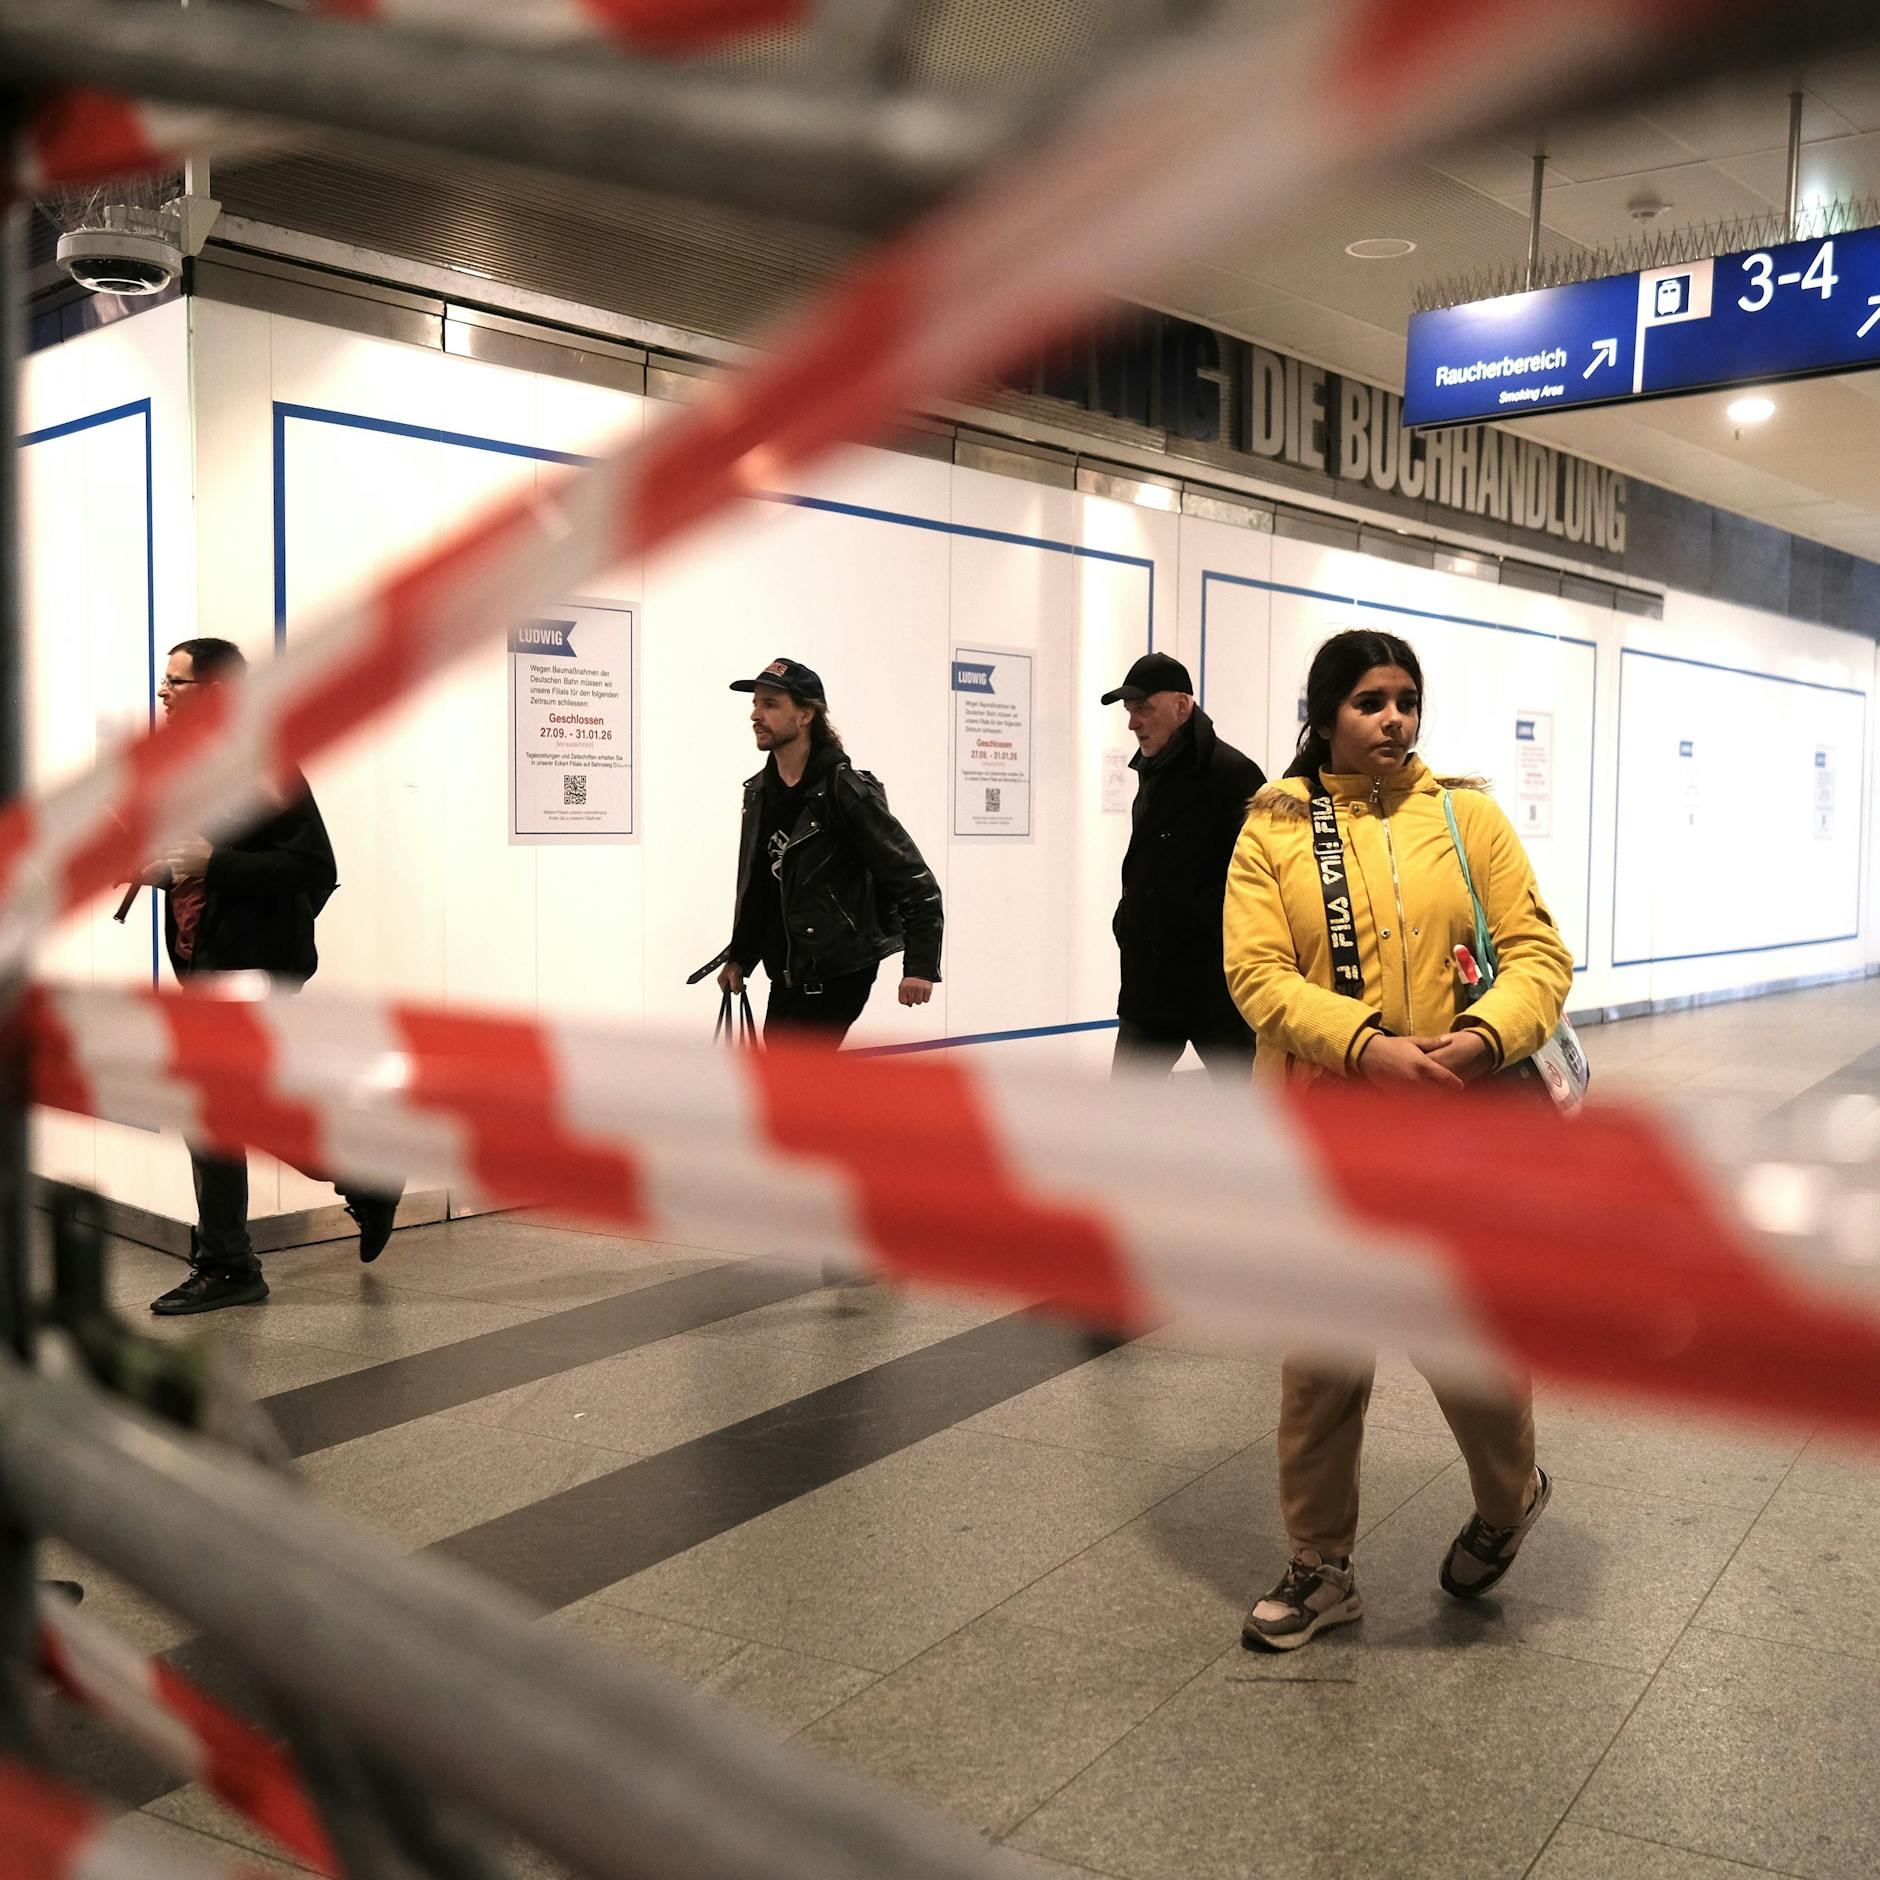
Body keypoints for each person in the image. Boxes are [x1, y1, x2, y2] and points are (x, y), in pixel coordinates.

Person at [1223, 627, 1574, 1651]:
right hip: (1323, 1134)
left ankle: (1508, 1498)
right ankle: (1319, 1566)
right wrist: (1361, 1047)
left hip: (1451, 1134)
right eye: (1371, 700)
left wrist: (1481, 1037)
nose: (1393, 718)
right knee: (1321, 1358)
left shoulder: (1463, 814)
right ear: (1324, 711)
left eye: (1406, 699)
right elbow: (1255, 975)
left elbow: (1536, 952)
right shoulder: (1273, 829)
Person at [143, 638, 402, 1316]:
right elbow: (205, 865)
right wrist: (167, 869)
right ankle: (363, 1178)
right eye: (164, 680)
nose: (163, 692)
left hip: (250, 973)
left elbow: (312, 866)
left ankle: (229, 1263)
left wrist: (211, 864)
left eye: (178, 682)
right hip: (207, 970)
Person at [696, 657, 943, 1045]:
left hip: (835, 973)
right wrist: (741, 957)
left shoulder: (846, 794)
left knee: (787, 1086)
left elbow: (916, 883)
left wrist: (920, 966)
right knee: (784, 1089)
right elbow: (761, 885)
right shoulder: (761, 792)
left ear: (806, 714)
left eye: (770, 705)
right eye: (756, 703)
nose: (755, 715)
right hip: (789, 971)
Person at [1103, 652, 1265, 1083]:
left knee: (1249, 1107)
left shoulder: (1234, 774)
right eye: (1129, 712)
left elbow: (1256, 881)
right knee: (1126, 1111)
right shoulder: (1152, 771)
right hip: (1150, 985)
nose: (1133, 723)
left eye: (1144, 709)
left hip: (1212, 985)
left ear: (1182, 705)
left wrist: (1200, 925)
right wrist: (1129, 921)